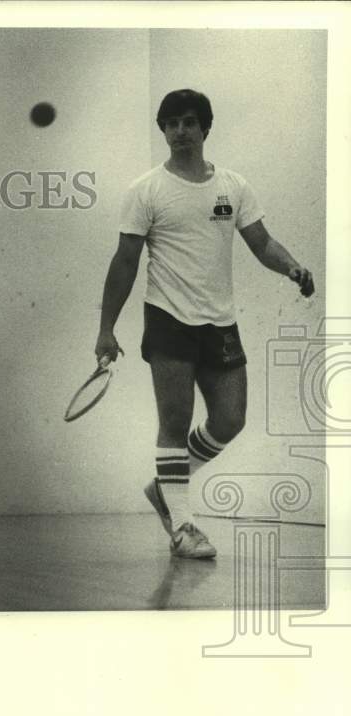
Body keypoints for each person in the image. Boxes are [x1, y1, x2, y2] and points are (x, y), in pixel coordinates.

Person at [95, 89, 315, 559]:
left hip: (220, 322)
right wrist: (105, 329)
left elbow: (261, 241)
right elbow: (124, 262)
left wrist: (293, 267)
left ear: (205, 128)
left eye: (189, 122)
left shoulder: (233, 186)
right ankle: (183, 524)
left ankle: (164, 489)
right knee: (175, 423)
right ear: (164, 131)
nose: (180, 132)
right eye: (171, 124)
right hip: (168, 317)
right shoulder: (145, 190)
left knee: (230, 420)